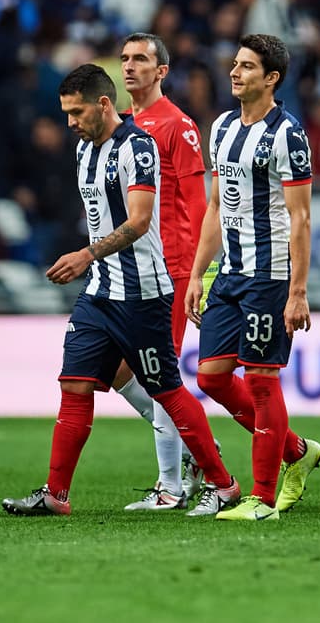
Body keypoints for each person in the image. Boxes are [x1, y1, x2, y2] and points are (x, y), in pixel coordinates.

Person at [1, 65, 238, 517]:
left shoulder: (138, 146)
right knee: (74, 384)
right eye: (66, 113)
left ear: (104, 104)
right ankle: (56, 494)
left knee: (167, 390)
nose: (70, 122)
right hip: (99, 291)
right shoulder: (83, 150)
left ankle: (223, 484)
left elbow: (140, 220)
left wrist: (86, 254)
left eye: (77, 112)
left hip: (143, 292)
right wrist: (91, 261)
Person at [185, 34, 320, 522]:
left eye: (247, 66)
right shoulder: (222, 127)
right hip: (230, 272)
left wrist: (297, 291)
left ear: (272, 79)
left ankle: (262, 499)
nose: (234, 72)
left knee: (262, 379)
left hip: (270, 275)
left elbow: (301, 218)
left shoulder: (288, 134)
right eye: (235, 63)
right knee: (211, 376)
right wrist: (197, 274)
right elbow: (216, 207)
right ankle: (297, 452)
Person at [105, 33, 216, 512]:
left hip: (171, 270)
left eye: (140, 59)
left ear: (162, 71)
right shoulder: (123, 127)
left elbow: (199, 205)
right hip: (132, 268)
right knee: (115, 370)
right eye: (125, 59)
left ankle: (170, 486)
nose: (130, 67)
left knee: (160, 376)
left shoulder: (177, 125)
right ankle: (195, 448)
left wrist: (200, 273)